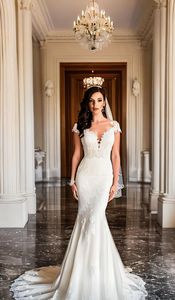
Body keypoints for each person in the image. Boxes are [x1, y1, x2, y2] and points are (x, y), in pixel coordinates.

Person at [10, 77, 147, 299]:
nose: (95, 104)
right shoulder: (80, 126)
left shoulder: (114, 126)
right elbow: (76, 155)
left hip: (103, 177)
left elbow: (115, 155)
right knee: (87, 220)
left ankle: (98, 274)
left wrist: (115, 182)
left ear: (104, 103)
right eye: (92, 100)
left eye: (99, 100)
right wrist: (72, 180)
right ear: (88, 103)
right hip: (85, 176)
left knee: (96, 219)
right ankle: (80, 275)